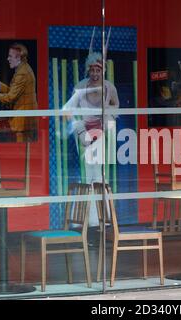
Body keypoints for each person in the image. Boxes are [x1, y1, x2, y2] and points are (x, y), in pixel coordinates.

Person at [63, 30, 119, 226]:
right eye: (92, 70)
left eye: (99, 69)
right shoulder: (80, 87)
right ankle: (84, 221)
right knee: (87, 175)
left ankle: (101, 221)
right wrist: (80, 132)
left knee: (100, 176)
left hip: (102, 135)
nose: (95, 73)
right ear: (88, 70)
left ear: (103, 70)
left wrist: (106, 124)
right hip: (85, 136)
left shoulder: (109, 87)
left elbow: (115, 108)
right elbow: (68, 110)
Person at [0, 43, 37, 142]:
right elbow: (13, 91)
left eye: (10, 56)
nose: (8, 59)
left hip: (22, 123)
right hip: (23, 122)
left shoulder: (22, 73)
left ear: (19, 57)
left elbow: (10, 97)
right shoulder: (22, 69)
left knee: (22, 152)